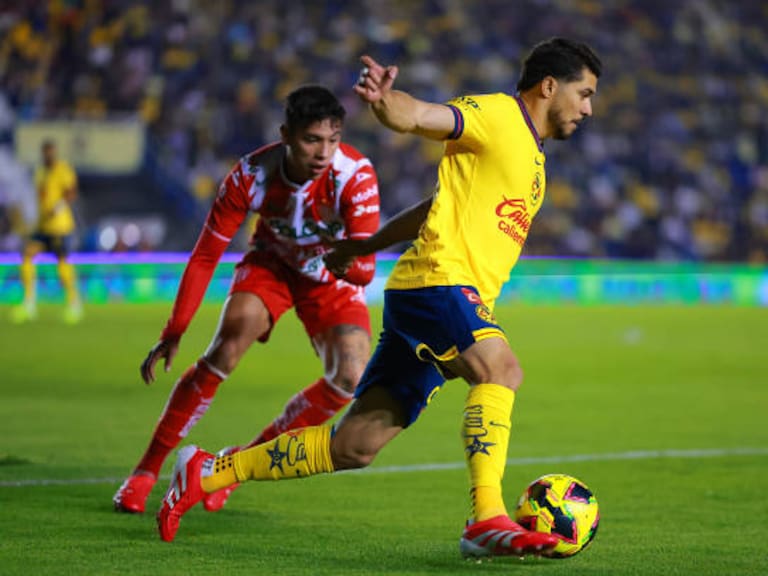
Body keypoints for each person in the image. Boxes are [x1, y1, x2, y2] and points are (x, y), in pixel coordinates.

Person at [156, 37, 602, 560]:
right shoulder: (499, 115)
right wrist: (388, 103)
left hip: (432, 294)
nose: (589, 108)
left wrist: (366, 244)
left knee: (354, 446)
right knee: (500, 370)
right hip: (438, 284)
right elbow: (422, 116)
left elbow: (436, 206)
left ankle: (210, 471)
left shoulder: (532, 159)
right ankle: (486, 518)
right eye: (585, 93)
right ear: (550, 86)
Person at [113, 85, 383, 514]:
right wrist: (175, 329)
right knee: (228, 342)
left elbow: (366, 269)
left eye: (332, 140)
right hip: (272, 264)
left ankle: (232, 469)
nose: (323, 152)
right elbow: (205, 255)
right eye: (312, 140)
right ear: (286, 135)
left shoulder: (355, 175)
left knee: (350, 378)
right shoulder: (250, 175)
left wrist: (342, 257)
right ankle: (144, 471)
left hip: (329, 275)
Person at [11, 139, 82, 324]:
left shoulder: (63, 169)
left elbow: (71, 192)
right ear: (43, 153)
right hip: (43, 226)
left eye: (51, 152)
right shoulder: (40, 172)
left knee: (62, 262)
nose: (48, 155)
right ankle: (29, 304)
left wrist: (58, 207)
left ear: (54, 153)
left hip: (60, 226)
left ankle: (74, 304)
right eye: (46, 152)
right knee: (26, 255)